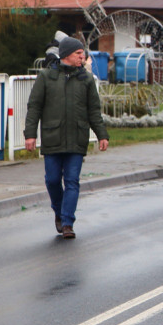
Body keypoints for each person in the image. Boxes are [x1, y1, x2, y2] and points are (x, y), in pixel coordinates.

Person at [24, 37, 110, 239]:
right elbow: (34, 107)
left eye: (83, 54)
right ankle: (59, 212)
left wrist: (102, 134)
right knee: (53, 180)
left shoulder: (86, 79)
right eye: (79, 54)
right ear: (66, 55)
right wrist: (30, 135)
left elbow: (94, 110)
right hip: (52, 136)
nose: (83, 57)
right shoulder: (46, 77)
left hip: (76, 138)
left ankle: (67, 222)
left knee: (72, 181)